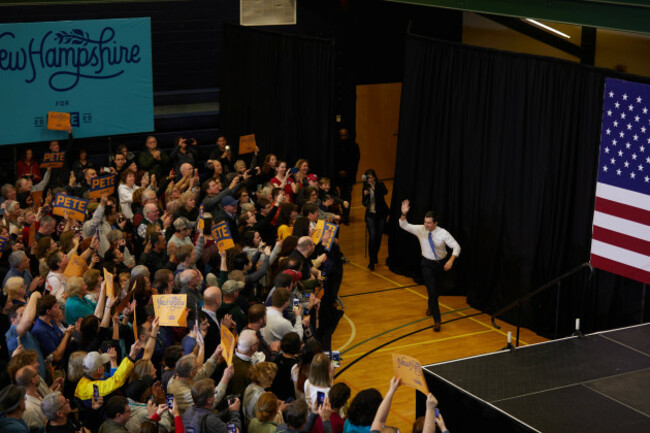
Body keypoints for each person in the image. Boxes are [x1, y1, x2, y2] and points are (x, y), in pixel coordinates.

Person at [399, 199, 461, 332]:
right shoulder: (421, 230)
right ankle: (437, 320)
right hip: (426, 264)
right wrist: (403, 214)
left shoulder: (443, 233)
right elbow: (404, 225)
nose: (426, 225)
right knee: (432, 290)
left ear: (435, 223)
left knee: (436, 291)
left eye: (428, 223)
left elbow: (456, 246)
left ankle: (431, 304)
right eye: (425, 222)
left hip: (441, 265)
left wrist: (451, 260)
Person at [361, 169, 389, 271]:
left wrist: (374, 189)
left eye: (371, 177)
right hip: (371, 215)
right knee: (372, 236)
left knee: (378, 236)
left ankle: (375, 255)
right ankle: (371, 260)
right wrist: (365, 196)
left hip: (381, 214)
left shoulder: (380, 185)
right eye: (368, 178)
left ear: (374, 177)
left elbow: (385, 192)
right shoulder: (365, 187)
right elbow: (363, 203)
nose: (370, 180)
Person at [333, 128, 360, 224]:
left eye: (344, 135)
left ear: (348, 135)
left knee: (347, 196)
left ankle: (346, 216)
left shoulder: (354, 146)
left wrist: (346, 172)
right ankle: (340, 214)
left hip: (349, 176)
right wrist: (339, 171)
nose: (343, 137)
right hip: (337, 176)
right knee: (339, 196)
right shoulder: (335, 146)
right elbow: (334, 160)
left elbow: (355, 162)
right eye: (341, 135)